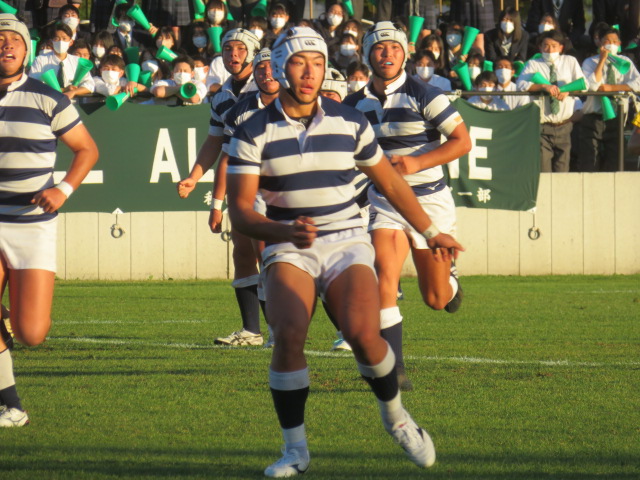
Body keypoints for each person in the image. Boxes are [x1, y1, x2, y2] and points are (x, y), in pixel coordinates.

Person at [226, 26, 464, 477]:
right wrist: (281, 230)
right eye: (299, 63)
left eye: (317, 63)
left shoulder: (351, 121)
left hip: (346, 241)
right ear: (281, 68)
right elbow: (239, 212)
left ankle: (396, 417)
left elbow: (390, 182)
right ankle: (295, 451)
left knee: (362, 335)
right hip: (288, 245)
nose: (309, 73)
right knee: (289, 335)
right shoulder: (251, 130)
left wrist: (432, 231)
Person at [344, 22, 471, 391]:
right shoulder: (353, 105)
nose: (387, 54)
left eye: (395, 48)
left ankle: (450, 282)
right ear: (366, 54)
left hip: (430, 199)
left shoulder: (425, 93)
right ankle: (393, 369)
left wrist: (415, 163)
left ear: (405, 54)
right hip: (385, 201)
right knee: (383, 277)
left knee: (436, 299)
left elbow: (462, 141)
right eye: (379, 48)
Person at [0, 14, 98, 427]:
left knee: (32, 333)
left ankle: (10, 320)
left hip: (33, 225)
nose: (6, 45)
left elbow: (87, 150)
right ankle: (11, 406)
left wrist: (63, 190)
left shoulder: (48, 98)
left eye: (13, 40)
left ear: (26, 51)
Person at [176, 28, 263, 346]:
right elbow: (217, 143)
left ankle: (286, 332)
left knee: (269, 254)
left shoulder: (268, 86)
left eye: (240, 48)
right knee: (243, 252)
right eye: (227, 49)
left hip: (273, 183)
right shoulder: (223, 95)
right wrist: (194, 176)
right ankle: (252, 331)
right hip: (243, 183)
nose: (233, 54)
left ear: (253, 53)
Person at [517, 30, 586, 172]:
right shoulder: (533, 64)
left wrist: (568, 90)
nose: (549, 50)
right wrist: (543, 86)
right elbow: (520, 85)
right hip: (542, 125)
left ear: (561, 47)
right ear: (540, 47)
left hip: (565, 124)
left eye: (554, 46)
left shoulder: (570, 61)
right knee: (544, 169)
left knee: (562, 168)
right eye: (546, 45)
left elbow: (584, 84)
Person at [579, 26, 640, 171]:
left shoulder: (625, 61)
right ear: (599, 42)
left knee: (615, 161)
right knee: (591, 161)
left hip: (617, 116)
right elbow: (592, 85)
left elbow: (638, 83)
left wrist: (612, 88)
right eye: (607, 41)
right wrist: (602, 60)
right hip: (594, 117)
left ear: (619, 44)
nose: (611, 44)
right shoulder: (589, 62)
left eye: (614, 41)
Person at [29, 23, 95, 99]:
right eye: (57, 39)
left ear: (71, 42)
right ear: (51, 42)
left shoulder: (77, 61)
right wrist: (63, 90)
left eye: (64, 39)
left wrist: (73, 92)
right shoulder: (40, 60)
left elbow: (90, 84)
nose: (60, 42)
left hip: (72, 102)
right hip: (47, 101)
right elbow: (33, 84)